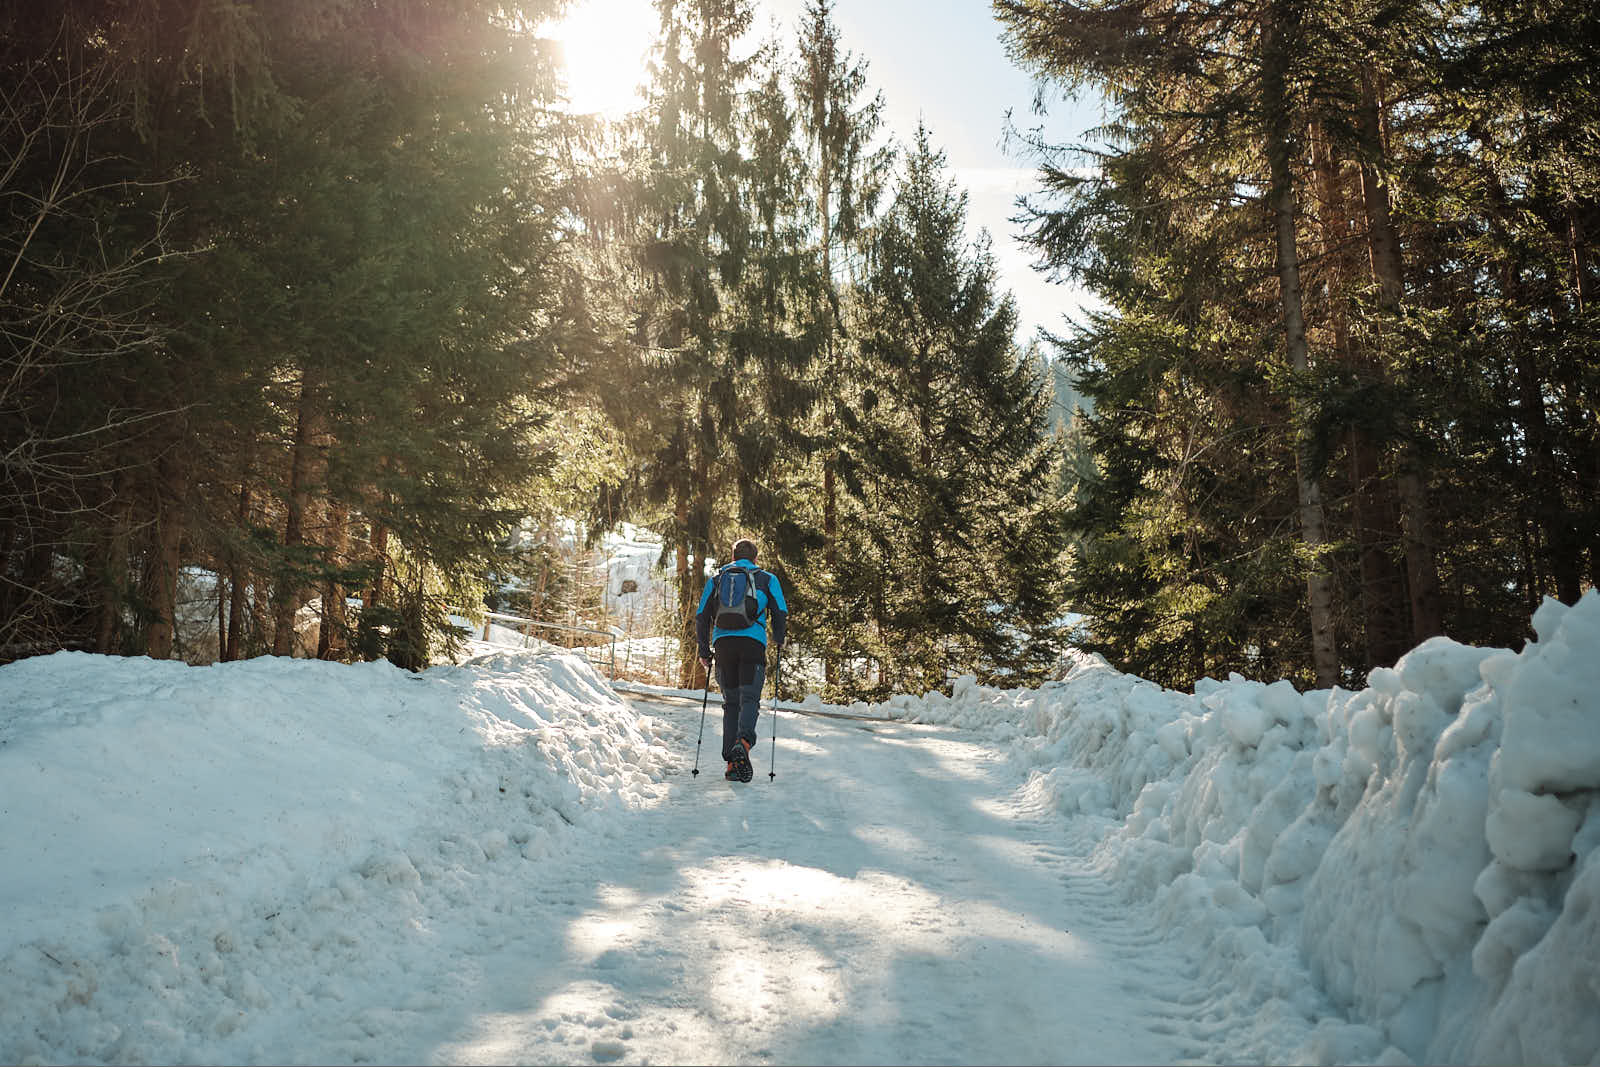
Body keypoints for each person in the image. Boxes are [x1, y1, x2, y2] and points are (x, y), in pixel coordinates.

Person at [695, 538, 788, 783]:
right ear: (755, 558)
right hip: (753, 644)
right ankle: (743, 743)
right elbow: (780, 611)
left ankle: (731, 764)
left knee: (732, 703)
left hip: (723, 645)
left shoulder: (717, 579)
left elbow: (701, 616)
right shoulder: (767, 579)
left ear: (734, 556)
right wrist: (779, 639)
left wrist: (704, 651)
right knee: (749, 698)